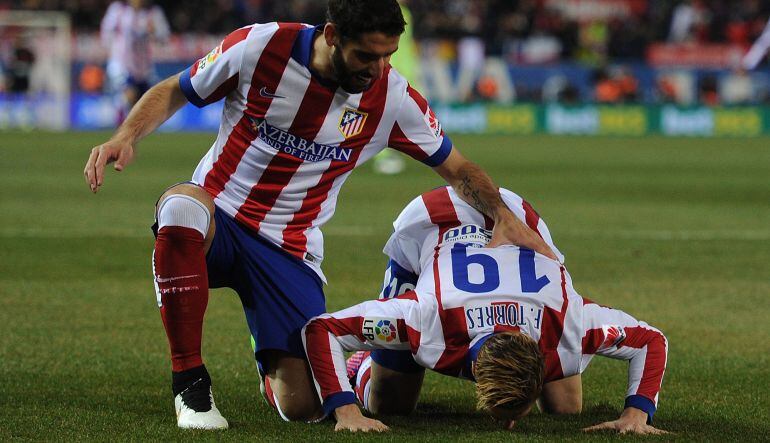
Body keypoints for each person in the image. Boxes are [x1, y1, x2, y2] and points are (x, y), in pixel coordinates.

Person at [83, 0, 556, 430]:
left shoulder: (391, 97)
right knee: (182, 209)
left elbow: (456, 166)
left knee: (303, 408)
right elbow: (175, 89)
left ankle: (268, 360)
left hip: (289, 248)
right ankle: (189, 382)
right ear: (332, 36)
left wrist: (499, 212)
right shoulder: (259, 47)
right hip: (218, 216)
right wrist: (125, 136)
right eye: (367, 57)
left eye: (388, 54)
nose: (379, 68)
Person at [302, 186, 669, 434]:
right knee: (389, 405)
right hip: (431, 219)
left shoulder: (569, 322)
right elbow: (322, 329)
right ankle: (361, 364)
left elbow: (651, 340)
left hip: (517, 217)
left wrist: (636, 414)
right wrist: (345, 408)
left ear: (543, 362)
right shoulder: (426, 319)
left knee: (566, 409)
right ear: (472, 368)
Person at [100, 0, 170, 123]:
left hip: (143, 68)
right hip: (120, 63)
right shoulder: (118, 9)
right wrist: (109, 49)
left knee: (143, 104)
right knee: (129, 94)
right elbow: (106, 31)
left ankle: (128, 132)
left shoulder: (153, 13)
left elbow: (164, 36)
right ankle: (120, 130)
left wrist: (154, 32)